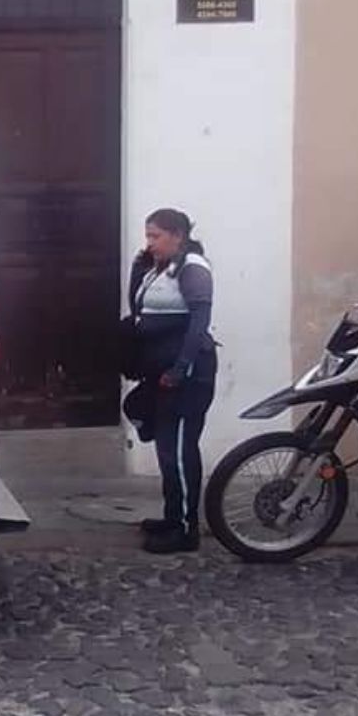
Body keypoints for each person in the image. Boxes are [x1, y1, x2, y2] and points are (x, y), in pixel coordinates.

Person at [122, 208, 219, 554]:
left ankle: (185, 530)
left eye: (155, 236)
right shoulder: (159, 269)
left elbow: (199, 323)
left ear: (177, 235)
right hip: (159, 373)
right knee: (166, 448)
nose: (149, 243)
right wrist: (139, 267)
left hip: (186, 377)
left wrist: (181, 369)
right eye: (147, 236)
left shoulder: (193, 268)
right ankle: (171, 515)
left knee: (178, 451)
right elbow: (138, 309)